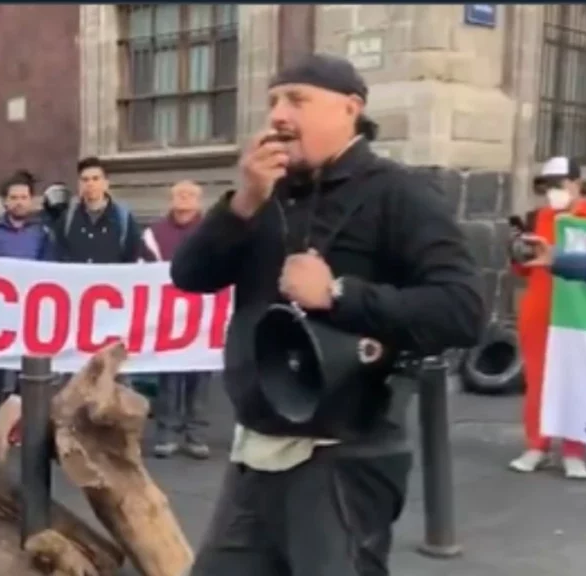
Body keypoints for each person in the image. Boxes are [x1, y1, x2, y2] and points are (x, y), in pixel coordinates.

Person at [170, 54, 483, 576]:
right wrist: (243, 203)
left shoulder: (399, 193)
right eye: (273, 101)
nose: (278, 115)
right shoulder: (266, 193)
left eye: (297, 99)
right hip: (256, 453)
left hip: (345, 457)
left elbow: (463, 308)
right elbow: (189, 275)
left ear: (350, 108)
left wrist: (339, 293)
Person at [508, 157, 586, 480]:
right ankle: (537, 445)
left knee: (578, 376)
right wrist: (517, 253)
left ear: (577, 184)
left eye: (560, 185)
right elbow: (522, 268)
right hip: (540, 310)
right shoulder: (536, 219)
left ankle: (575, 451)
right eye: (548, 186)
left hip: (580, 313)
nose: (554, 192)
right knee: (538, 380)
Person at [0, 171, 57, 421]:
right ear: (5, 202)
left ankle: (24, 421)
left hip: (30, 310)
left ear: (32, 201)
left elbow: (51, 267)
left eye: (24, 197)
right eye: (14, 197)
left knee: (28, 369)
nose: (19, 201)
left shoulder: (43, 232)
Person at [143, 180, 210, 459]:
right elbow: (142, 271)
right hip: (167, 314)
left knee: (200, 374)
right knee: (169, 374)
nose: (184, 198)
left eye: (190, 194)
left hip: (205, 315)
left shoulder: (213, 231)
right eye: (179, 194)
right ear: (170, 199)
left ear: (199, 200)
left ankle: (195, 433)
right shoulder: (154, 234)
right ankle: (167, 431)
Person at [55, 157, 142, 264]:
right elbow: (57, 256)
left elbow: (134, 257)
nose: (90, 184)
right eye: (85, 180)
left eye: (95, 179)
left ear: (106, 184)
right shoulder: (67, 218)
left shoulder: (123, 219)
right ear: (79, 184)